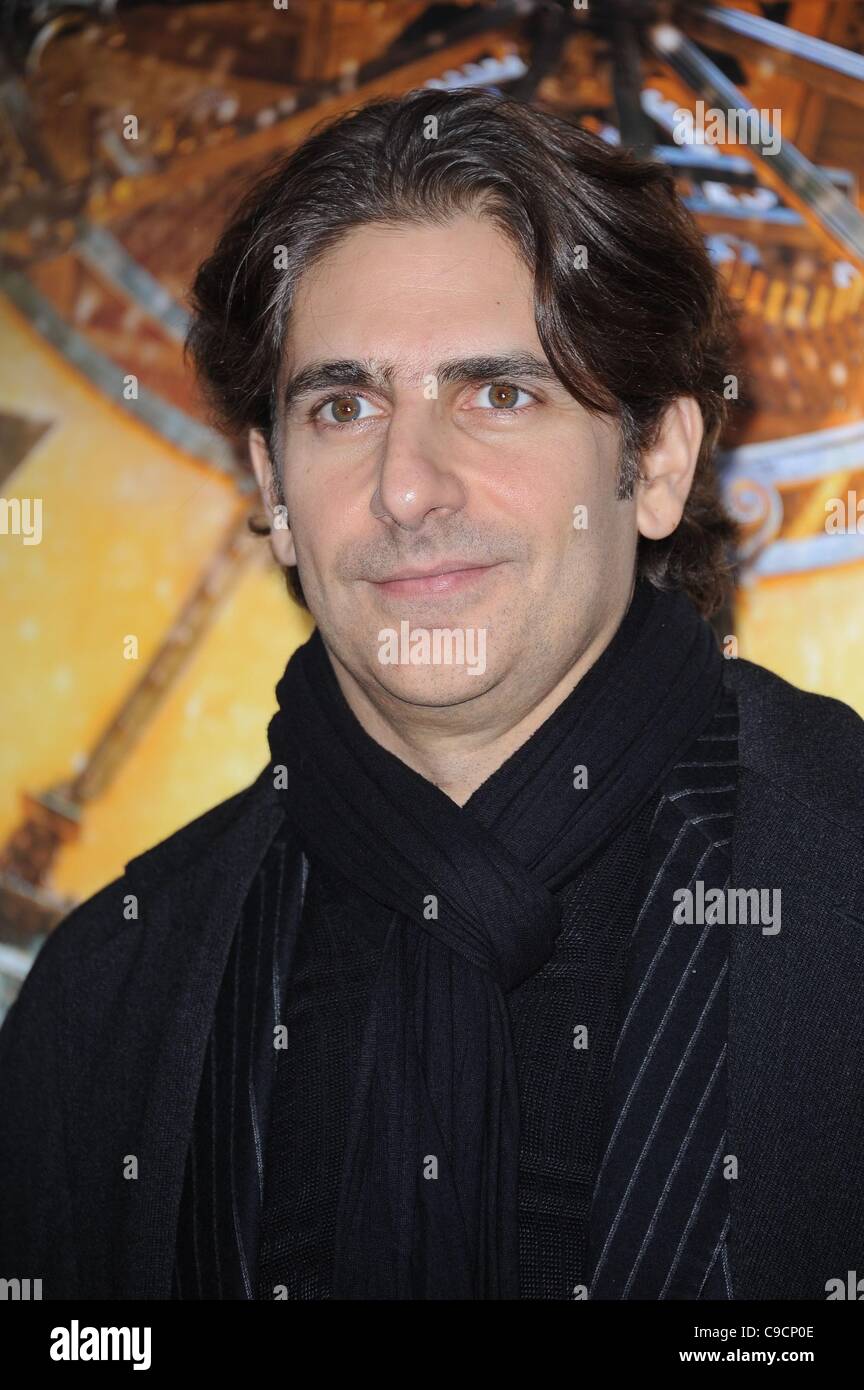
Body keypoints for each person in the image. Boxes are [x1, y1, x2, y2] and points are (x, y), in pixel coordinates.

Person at [1, 87, 862, 1302]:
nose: (408, 486)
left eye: (498, 394)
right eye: (344, 406)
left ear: (658, 462)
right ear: (274, 485)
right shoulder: (104, 1000)